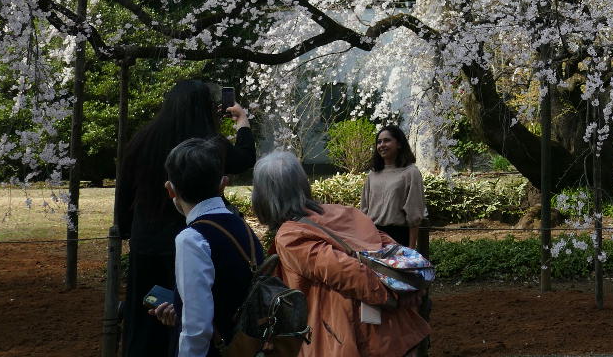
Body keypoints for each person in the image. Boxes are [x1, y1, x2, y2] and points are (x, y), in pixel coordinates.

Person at [114, 80, 257, 357]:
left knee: (145, 317)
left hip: (147, 240)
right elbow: (243, 159)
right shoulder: (210, 144)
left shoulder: (143, 139)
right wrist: (242, 122)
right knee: (187, 312)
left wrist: (125, 227)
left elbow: (125, 189)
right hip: (193, 237)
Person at [252, 150, 430, 357]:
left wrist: (395, 296)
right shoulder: (341, 211)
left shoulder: (290, 236)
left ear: (264, 196)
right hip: (394, 329)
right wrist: (407, 287)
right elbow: (388, 245)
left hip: (352, 336)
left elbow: (349, 273)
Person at [149, 137, 262, 357]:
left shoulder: (192, 239)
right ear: (223, 184)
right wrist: (180, 309)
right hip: (248, 344)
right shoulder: (240, 225)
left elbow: (197, 329)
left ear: (170, 190)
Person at [360, 125, 425, 248]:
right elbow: (364, 210)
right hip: (373, 237)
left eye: (387, 140)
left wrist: (411, 250)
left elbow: (414, 214)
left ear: (399, 144)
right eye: (379, 142)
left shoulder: (410, 173)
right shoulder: (373, 174)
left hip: (398, 238)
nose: (382, 145)